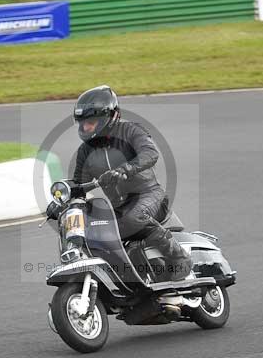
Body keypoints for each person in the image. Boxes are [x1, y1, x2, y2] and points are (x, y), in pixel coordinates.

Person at [70, 84, 193, 281]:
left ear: (107, 118)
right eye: (82, 123)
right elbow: (78, 184)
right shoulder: (86, 151)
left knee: (132, 219)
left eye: (90, 122)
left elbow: (150, 153)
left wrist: (126, 169)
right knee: (96, 233)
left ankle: (180, 258)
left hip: (149, 195)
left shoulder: (130, 131)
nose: (85, 128)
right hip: (118, 207)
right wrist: (62, 196)